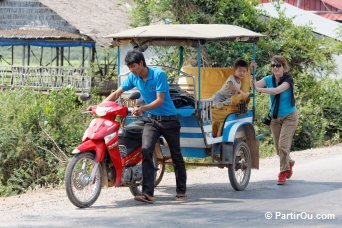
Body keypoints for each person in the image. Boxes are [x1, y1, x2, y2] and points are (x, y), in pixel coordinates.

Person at [92, 50, 187, 203]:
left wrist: (142, 109)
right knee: (146, 150)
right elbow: (117, 93)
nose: (132, 70)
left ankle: (181, 191)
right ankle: (148, 194)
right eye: (129, 68)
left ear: (141, 63)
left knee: (176, 155)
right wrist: (100, 106)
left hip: (169, 120)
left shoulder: (158, 75)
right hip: (152, 120)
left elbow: (160, 100)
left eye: (134, 67)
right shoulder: (133, 77)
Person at [254, 55, 298, 185]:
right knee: (279, 150)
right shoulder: (268, 79)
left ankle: (283, 172)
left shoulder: (288, 80)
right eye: (273, 65)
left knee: (283, 145)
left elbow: (276, 91)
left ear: (284, 67)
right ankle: (289, 163)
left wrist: (259, 90)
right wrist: (251, 71)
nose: (275, 68)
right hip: (275, 118)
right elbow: (254, 85)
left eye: (278, 65)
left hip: (289, 117)